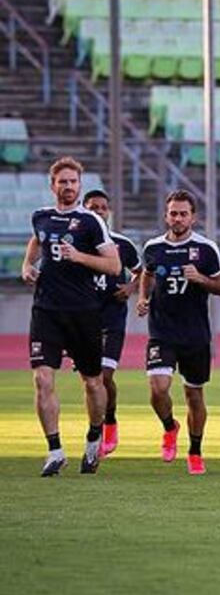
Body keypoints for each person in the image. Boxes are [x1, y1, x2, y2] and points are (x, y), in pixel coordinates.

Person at [23, 157, 121, 476]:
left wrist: (79, 256)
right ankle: (54, 450)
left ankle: (94, 439)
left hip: (83, 312)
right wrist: (27, 264)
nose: (68, 187)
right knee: (42, 378)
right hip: (46, 310)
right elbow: (38, 239)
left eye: (73, 182)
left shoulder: (91, 221)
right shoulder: (41, 217)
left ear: (79, 185)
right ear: (53, 185)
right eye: (62, 181)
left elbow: (114, 266)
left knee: (93, 383)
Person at [136, 191, 220, 475]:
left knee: (194, 395)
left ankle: (195, 450)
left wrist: (200, 278)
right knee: (158, 387)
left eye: (183, 213)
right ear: (166, 215)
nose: (177, 218)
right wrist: (143, 297)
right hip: (162, 331)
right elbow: (147, 274)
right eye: (173, 213)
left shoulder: (205, 248)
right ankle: (169, 426)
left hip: (195, 334)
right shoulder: (153, 247)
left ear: (193, 217)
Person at [81, 188, 142, 457]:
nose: (98, 212)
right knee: (90, 380)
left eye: (102, 208)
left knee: (104, 376)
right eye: (93, 207)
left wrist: (131, 288)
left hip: (112, 318)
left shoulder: (122, 245)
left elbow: (144, 273)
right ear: (84, 209)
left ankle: (109, 422)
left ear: (109, 212)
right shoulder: (76, 244)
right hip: (82, 319)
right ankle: (97, 424)